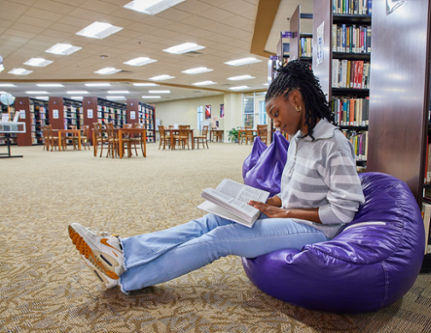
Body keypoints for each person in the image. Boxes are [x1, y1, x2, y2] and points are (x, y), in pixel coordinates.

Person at [68, 60, 366, 293]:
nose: (275, 123)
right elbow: (291, 192)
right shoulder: (299, 139)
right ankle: (122, 248)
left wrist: (284, 211)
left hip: (314, 229)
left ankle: (129, 277)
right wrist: (265, 202)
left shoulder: (333, 143)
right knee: (211, 220)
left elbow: (343, 210)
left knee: (219, 239)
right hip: (285, 215)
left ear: (297, 99)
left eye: (276, 113)